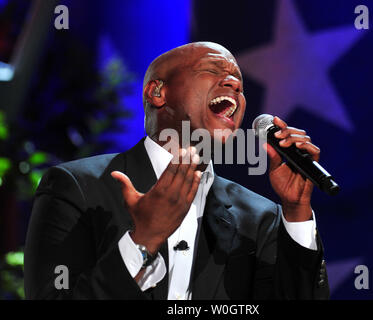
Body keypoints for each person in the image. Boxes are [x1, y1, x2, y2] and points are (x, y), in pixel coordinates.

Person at [24, 42, 329, 300]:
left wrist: (297, 212)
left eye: (239, 82)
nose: (234, 84)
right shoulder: (76, 186)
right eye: (212, 70)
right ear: (158, 92)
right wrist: (143, 240)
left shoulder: (261, 216)